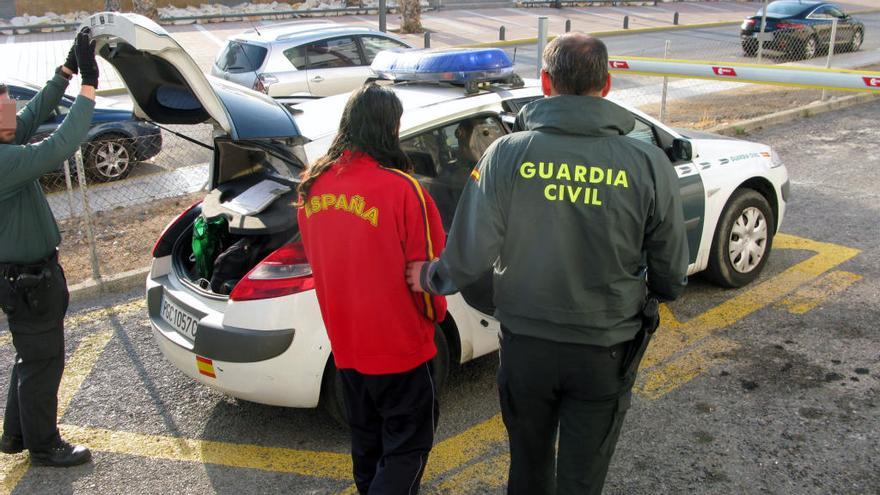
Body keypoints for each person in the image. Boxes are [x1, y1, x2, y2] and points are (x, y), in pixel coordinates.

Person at [406, 33, 688, 494]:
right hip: (605, 348)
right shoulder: (647, 161)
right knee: (582, 478)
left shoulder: (507, 154)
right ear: (608, 84)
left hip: (526, 347)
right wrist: (654, 291)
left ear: (545, 82)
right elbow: (671, 270)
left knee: (528, 468)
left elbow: (469, 252)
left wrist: (431, 277)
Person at [296, 84, 447, 494]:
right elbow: (430, 275)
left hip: (346, 344)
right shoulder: (404, 190)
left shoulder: (313, 185)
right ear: (391, 128)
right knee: (408, 448)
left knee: (367, 444)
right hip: (401, 347)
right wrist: (436, 316)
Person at [0, 28, 99, 468]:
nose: (10, 104)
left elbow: (30, 116)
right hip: (29, 280)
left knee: (32, 357)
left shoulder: (4, 146)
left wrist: (65, 72)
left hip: (23, 276)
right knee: (44, 361)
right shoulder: (4, 162)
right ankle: (45, 445)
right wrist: (89, 86)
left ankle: (16, 433)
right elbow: (60, 143)